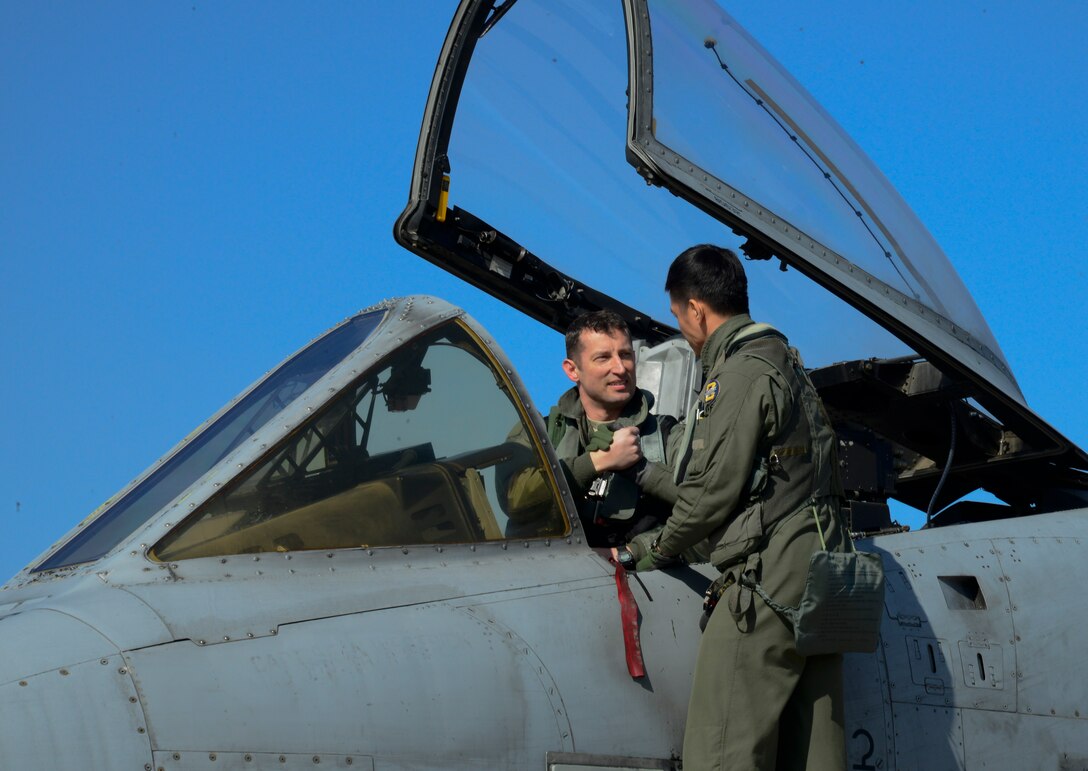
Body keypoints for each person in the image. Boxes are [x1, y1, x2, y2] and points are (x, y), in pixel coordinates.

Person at [627, 244, 847, 769]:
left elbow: (710, 497)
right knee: (817, 752)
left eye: (679, 316)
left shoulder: (740, 374)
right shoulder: (787, 365)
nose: (681, 328)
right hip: (826, 574)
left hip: (771, 581)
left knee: (721, 749)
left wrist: (651, 550)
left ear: (697, 309)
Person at [504, 310, 679, 546]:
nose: (620, 367)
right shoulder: (538, 434)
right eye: (603, 358)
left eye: (625, 355)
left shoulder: (667, 436)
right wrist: (597, 461)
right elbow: (514, 500)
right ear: (572, 370)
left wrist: (637, 551)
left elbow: (706, 506)